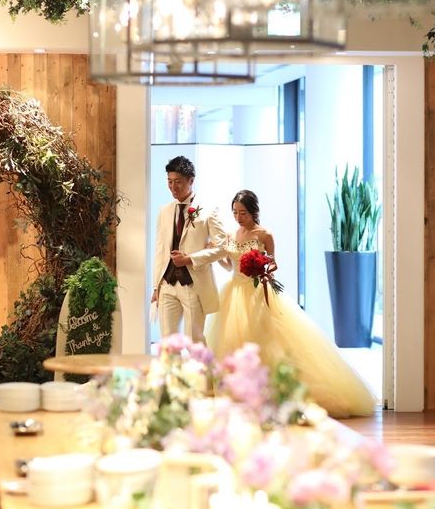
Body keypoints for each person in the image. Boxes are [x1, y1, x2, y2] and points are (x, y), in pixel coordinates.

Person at [205, 189, 376, 418]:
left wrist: (261, 267)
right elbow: (229, 266)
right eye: (235, 212)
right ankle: (239, 393)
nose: (238, 217)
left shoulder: (264, 235)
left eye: (243, 213)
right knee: (232, 340)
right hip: (234, 293)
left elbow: (273, 264)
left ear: (254, 211)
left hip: (257, 291)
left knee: (266, 339)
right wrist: (217, 257)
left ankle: (270, 391)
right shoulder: (232, 234)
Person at [152, 156, 227, 343]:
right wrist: (156, 286)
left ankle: (199, 364)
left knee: (194, 341)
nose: (173, 187)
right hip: (167, 284)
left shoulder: (208, 210)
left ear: (191, 180)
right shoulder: (164, 211)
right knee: (168, 342)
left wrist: (190, 259)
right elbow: (160, 250)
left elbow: (223, 248)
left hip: (194, 284)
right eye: (169, 181)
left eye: (178, 181)